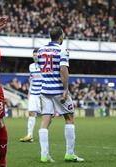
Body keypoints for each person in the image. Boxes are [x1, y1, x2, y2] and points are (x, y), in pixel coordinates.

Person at [37, 26, 84, 163]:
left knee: (45, 121)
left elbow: (43, 69)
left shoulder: (40, 50)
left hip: (44, 90)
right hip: (58, 90)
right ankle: (69, 154)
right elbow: (63, 70)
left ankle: (44, 155)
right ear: (61, 36)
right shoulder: (62, 50)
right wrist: (65, 89)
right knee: (69, 118)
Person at [19, 48, 42, 142]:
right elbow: (31, 80)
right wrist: (29, 92)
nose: (35, 56)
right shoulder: (31, 66)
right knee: (31, 113)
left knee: (45, 115)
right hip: (33, 93)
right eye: (34, 55)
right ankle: (29, 135)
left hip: (42, 93)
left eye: (36, 55)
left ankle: (43, 134)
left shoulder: (45, 66)